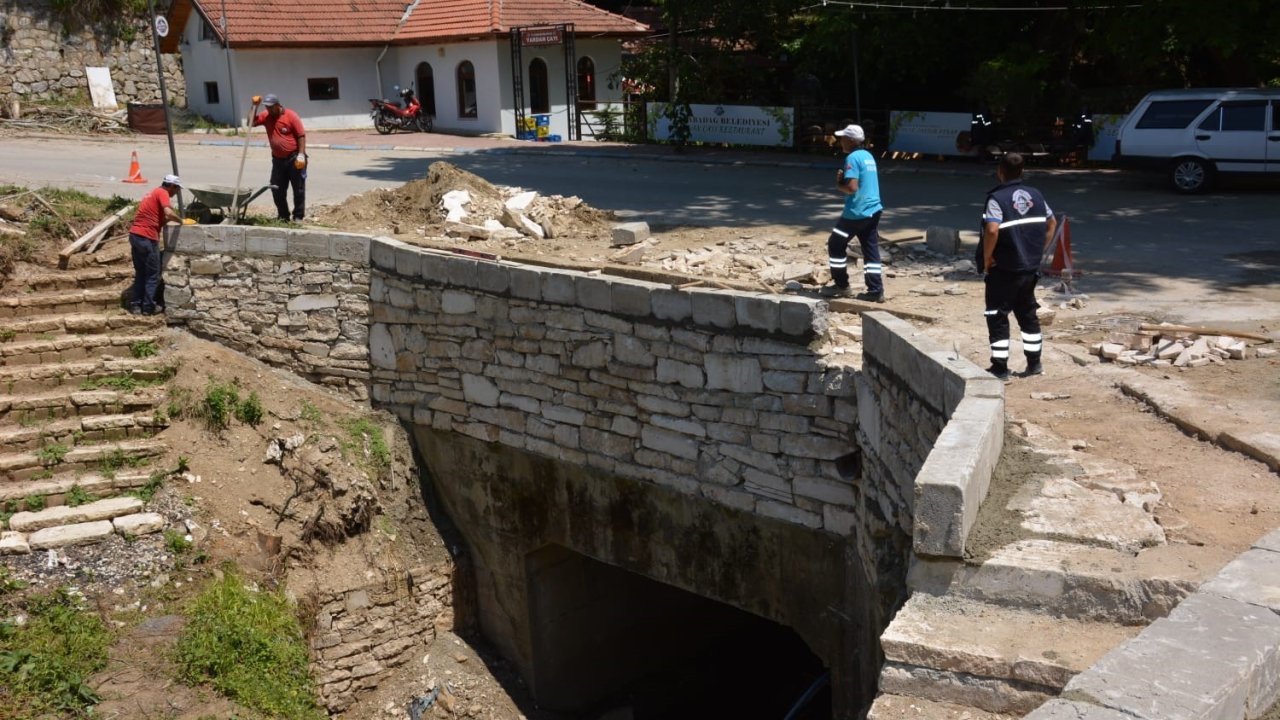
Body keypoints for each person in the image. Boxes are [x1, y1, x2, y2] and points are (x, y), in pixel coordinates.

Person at [978, 152, 1057, 380]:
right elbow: (1051, 222)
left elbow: (992, 230)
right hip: (1029, 269)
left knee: (997, 315)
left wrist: (986, 259)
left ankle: (1000, 368)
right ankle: (1034, 364)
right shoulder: (1036, 195)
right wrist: (1039, 251)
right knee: (1028, 314)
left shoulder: (997, 199)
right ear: (1022, 171)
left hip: (1003, 269)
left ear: (999, 171)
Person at [820, 123, 884, 302]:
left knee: (835, 244)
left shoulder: (853, 158)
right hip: (873, 210)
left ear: (849, 140)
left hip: (856, 213)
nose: (840, 141)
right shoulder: (868, 156)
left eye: (842, 138)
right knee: (870, 249)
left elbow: (851, 187)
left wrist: (839, 183)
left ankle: (841, 285)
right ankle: (875, 290)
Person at [127, 174, 184, 315]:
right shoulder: (163, 192)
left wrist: (165, 221)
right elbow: (169, 213)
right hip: (147, 238)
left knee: (141, 273)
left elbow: (158, 218)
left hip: (135, 235)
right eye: (176, 189)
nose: (176, 193)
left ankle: (136, 306)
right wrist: (181, 221)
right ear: (171, 186)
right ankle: (148, 307)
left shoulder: (152, 193)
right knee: (153, 274)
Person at [251, 93, 307, 222]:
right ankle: (283, 216)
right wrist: (254, 107)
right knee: (276, 189)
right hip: (278, 161)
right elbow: (251, 123)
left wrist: (301, 155)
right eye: (266, 107)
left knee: (298, 189)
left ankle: (298, 216)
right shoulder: (266, 116)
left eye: (271, 107)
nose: (268, 110)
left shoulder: (291, 116)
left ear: (278, 105)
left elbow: (301, 136)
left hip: (294, 158)